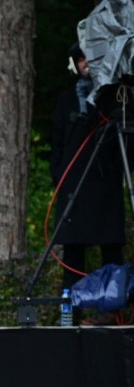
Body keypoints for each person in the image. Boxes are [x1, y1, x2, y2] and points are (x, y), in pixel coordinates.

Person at [50, 44, 126, 293]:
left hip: (105, 185)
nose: (85, 63)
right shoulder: (66, 99)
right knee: (73, 251)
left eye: (89, 57)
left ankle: (113, 309)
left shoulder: (113, 97)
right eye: (80, 58)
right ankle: (71, 312)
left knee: (112, 248)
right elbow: (58, 143)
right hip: (73, 187)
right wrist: (59, 176)